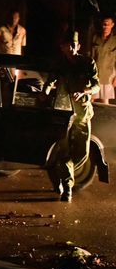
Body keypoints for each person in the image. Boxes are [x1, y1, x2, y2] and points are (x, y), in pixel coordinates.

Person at [44, 31, 99, 202]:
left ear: (79, 46)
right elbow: (50, 82)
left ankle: (60, 172)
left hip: (82, 113)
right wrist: (44, 93)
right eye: (69, 44)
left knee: (82, 153)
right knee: (65, 150)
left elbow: (96, 85)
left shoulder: (87, 62)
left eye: (75, 44)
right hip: (64, 114)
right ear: (63, 47)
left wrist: (85, 91)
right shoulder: (60, 64)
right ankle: (67, 188)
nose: (73, 48)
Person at [91, 15, 116, 104]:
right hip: (94, 75)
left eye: (108, 24)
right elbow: (91, 57)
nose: (105, 26)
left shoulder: (115, 40)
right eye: (104, 24)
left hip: (108, 76)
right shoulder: (95, 38)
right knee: (90, 101)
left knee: (105, 104)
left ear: (112, 25)